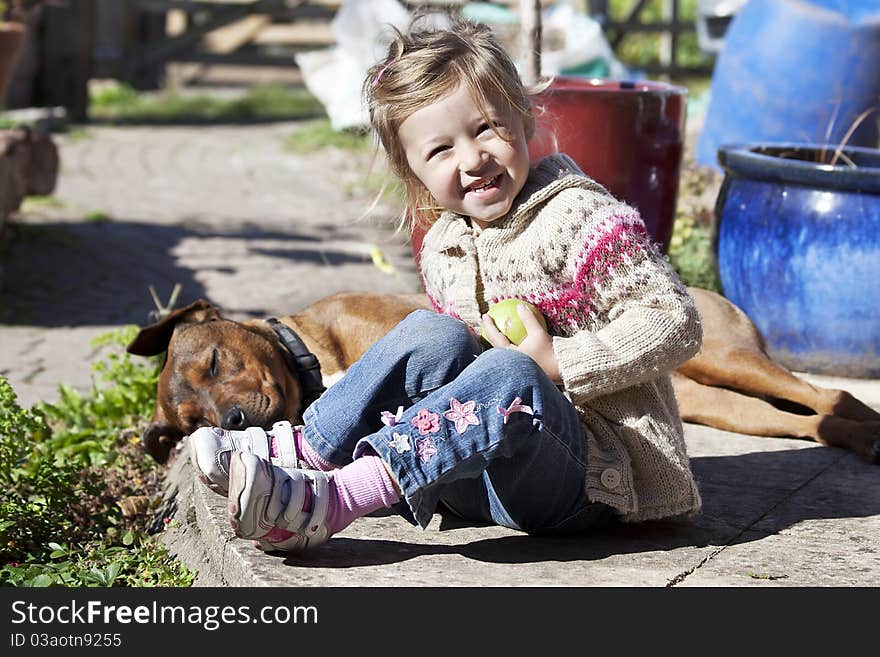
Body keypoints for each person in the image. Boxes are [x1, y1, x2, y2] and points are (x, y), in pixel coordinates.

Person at [189, 16, 703, 554]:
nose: (473, 158)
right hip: (483, 479)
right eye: (440, 150)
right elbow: (457, 376)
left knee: (512, 371)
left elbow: (674, 321)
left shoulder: (580, 217)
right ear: (412, 172)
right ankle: (303, 452)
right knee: (433, 334)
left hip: (592, 481)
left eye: (486, 128)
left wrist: (558, 361)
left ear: (524, 118)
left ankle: (334, 500)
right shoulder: (443, 246)